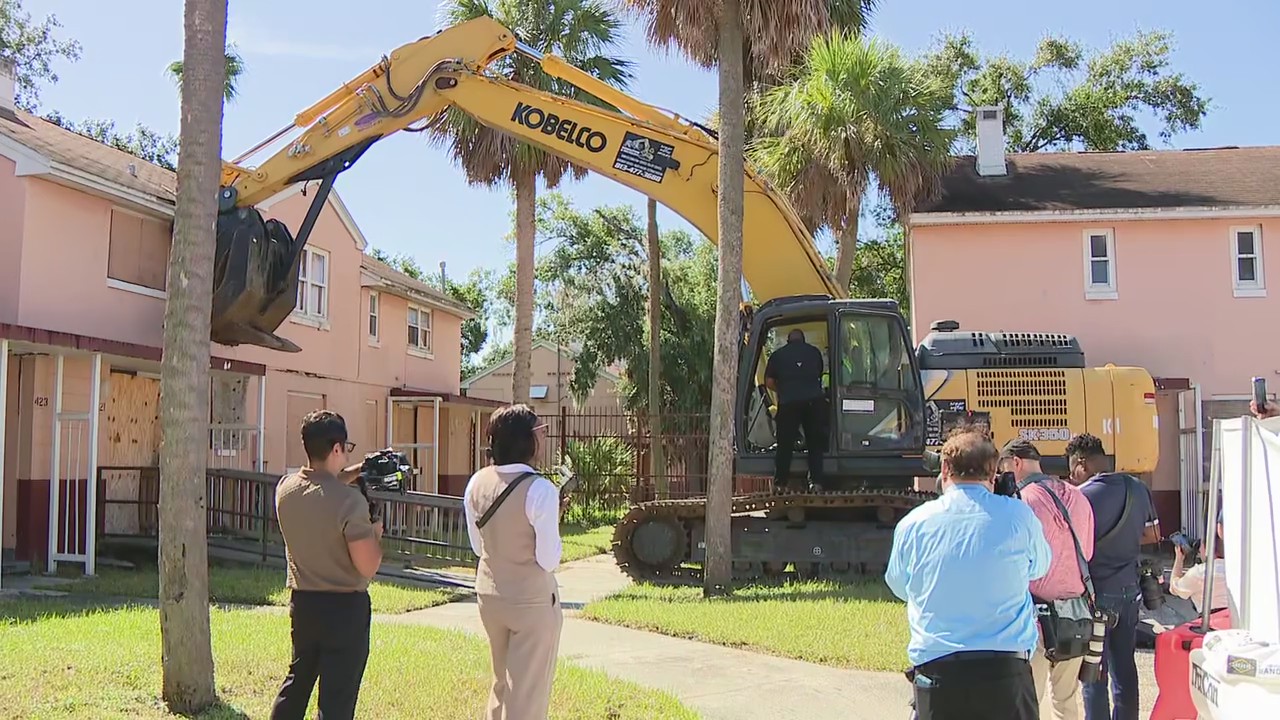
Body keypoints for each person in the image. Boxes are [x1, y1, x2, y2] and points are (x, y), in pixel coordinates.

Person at [886, 427, 1051, 720]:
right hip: (1006, 672)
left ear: (945, 468)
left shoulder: (915, 523)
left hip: (940, 671)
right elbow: (1039, 568)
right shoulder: (1018, 515)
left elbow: (898, 584)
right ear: (994, 472)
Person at [271, 410, 383, 720]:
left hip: (304, 604)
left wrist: (359, 470)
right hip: (345, 609)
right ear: (337, 448)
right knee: (336, 698)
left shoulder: (286, 490)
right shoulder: (350, 502)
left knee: (297, 682)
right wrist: (375, 531)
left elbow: (321, 486)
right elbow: (368, 566)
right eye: (346, 448)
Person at [464, 404, 568, 720]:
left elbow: (478, 546)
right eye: (541, 431)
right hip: (531, 601)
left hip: (490, 596)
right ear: (529, 440)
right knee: (527, 697)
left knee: (501, 685)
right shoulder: (540, 489)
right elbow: (548, 559)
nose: (545, 437)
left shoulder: (476, 483)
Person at [1066, 432, 1162, 720]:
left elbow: (1073, 544)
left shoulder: (1080, 497)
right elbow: (1154, 533)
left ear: (1082, 463)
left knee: (1094, 672)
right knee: (1126, 668)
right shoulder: (1137, 487)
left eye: (1072, 470)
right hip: (1129, 591)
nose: (1072, 477)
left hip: (1096, 597)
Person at [999, 439, 1095, 720]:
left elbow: (1015, 559)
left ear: (1015, 463)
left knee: (1028, 699)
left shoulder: (1021, 502)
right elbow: (1086, 551)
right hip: (1076, 613)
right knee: (1066, 701)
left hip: (1037, 615)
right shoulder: (1077, 495)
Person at [764, 328, 827, 492]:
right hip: (813, 402)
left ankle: (780, 484)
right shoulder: (814, 353)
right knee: (815, 443)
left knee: (785, 444)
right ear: (803, 340)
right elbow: (819, 376)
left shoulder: (778, 355)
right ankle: (816, 482)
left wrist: (782, 390)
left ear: (788, 341)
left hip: (788, 402)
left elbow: (769, 381)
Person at [1170, 521, 1229, 614]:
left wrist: (1179, 558)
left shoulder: (1199, 573)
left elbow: (1174, 589)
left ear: (1206, 549)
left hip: (1210, 622)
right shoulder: (1241, 570)